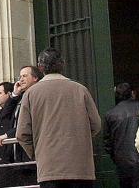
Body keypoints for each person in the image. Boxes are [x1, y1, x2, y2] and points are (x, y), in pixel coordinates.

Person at [16, 48, 102, 187]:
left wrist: (38, 153)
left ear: (40, 67)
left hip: (49, 167)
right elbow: (96, 125)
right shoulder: (80, 89)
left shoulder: (31, 93)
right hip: (80, 166)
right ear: (62, 64)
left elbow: (22, 134)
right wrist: (80, 141)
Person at [102, 83, 139, 188]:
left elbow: (107, 142)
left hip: (122, 162)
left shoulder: (110, 114)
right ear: (132, 93)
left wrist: (116, 157)